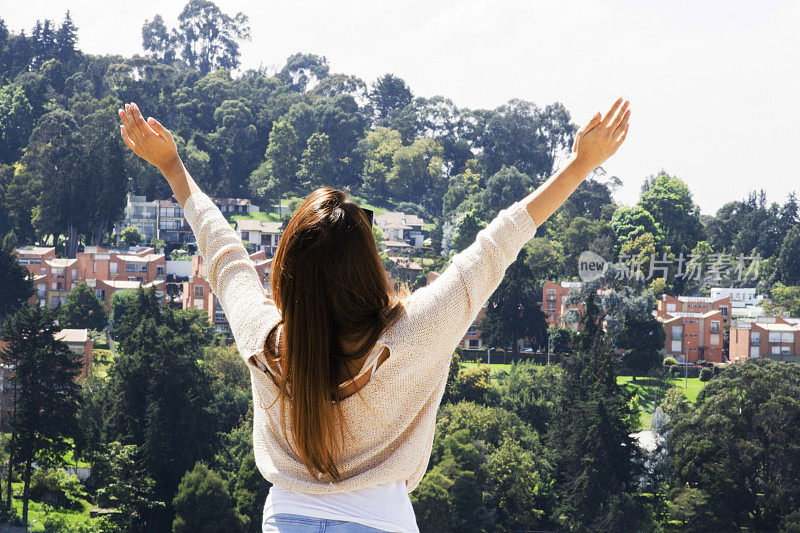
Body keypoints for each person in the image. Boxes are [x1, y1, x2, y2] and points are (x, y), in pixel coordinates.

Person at [118, 97, 630, 533]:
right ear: (367, 266)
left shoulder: (265, 340)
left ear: (286, 273)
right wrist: (583, 163)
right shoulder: (414, 334)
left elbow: (223, 250)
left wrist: (172, 166)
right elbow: (499, 242)